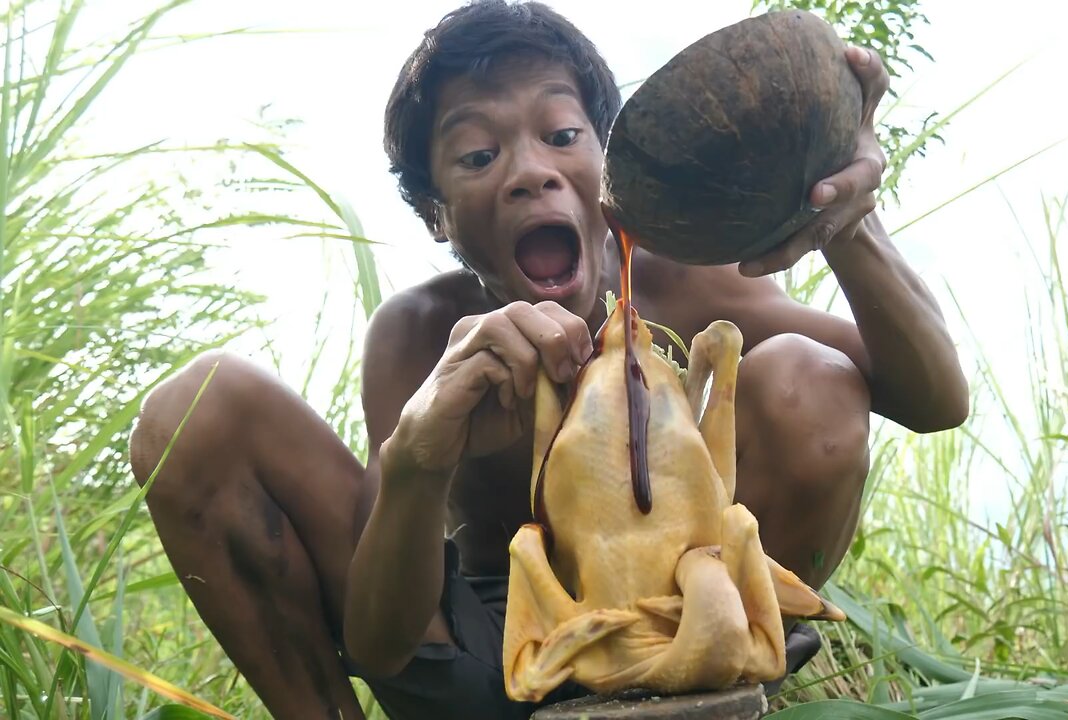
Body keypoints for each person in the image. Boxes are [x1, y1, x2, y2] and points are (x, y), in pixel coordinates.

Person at [128, 1, 968, 718]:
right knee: (195, 406)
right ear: (435, 214)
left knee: (810, 378)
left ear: (608, 167)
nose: (531, 172)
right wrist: (421, 460)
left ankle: (725, 678)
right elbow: (384, 638)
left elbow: (934, 399)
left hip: (684, 632)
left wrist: (849, 221)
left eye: (561, 133)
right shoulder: (422, 337)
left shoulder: (679, 287)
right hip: (485, 659)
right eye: (478, 156)